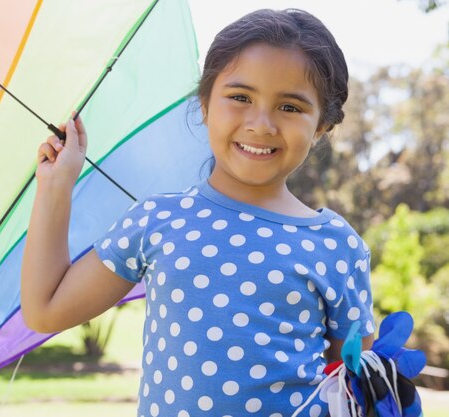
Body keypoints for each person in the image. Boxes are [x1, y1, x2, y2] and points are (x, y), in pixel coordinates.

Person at [21, 8, 375, 417]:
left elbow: (352, 387)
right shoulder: (157, 220)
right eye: (240, 97)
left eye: (290, 107)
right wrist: (55, 185)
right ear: (204, 104)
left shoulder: (336, 244)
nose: (261, 124)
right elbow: (45, 309)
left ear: (321, 127)